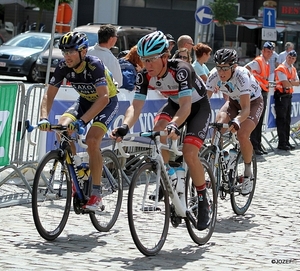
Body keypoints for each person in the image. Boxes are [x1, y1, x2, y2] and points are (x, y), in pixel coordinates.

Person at [111, 31, 211, 231]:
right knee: (158, 129)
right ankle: (170, 174)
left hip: (197, 108)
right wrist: (124, 127)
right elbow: (136, 107)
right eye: (144, 60)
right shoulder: (144, 75)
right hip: (175, 105)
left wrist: (174, 125)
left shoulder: (181, 70)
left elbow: (186, 107)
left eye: (152, 60)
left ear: (165, 57)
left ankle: (202, 199)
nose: (147, 65)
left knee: (190, 154)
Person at [38, 32, 119, 211]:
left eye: (71, 52)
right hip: (84, 101)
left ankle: (97, 195)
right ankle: (77, 173)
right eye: (64, 52)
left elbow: (104, 98)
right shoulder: (63, 67)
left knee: (92, 140)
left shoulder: (94, 65)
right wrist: (44, 118)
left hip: (106, 102)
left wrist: (82, 121)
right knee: (63, 126)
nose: (66, 56)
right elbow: (48, 95)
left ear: (83, 51)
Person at [206, 48, 263, 195]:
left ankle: (248, 172)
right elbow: (204, 102)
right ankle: (214, 167)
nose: (221, 72)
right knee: (218, 126)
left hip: (252, 102)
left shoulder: (242, 75)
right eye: (219, 67)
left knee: (242, 134)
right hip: (233, 102)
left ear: (234, 67)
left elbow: (245, 109)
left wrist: (237, 120)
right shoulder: (214, 75)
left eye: (225, 68)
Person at [245, 41, 274, 155]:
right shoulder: (258, 61)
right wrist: (252, 83)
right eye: (268, 51)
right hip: (257, 92)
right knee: (255, 119)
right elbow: (246, 68)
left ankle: (257, 144)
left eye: (271, 52)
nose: (270, 53)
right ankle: (254, 145)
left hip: (263, 91)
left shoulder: (266, 63)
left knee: (260, 120)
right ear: (263, 51)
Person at [274, 50, 300, 151]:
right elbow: (285, 83)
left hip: (288, 96)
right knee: (282, 120)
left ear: (295, 59)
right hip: (281, 96)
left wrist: (291, 82)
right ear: (286, 57)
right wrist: (291, 82)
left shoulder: (293, 69)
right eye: (289, 57)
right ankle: (282, 143)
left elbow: (298, 83)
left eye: (293, 58)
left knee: (287, 120)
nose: (291, 59)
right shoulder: (281, 68)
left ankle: (287, 141)